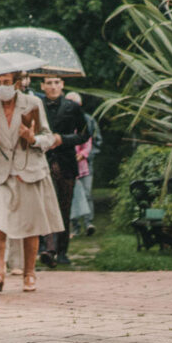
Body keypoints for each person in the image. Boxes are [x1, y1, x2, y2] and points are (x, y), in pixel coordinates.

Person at [0, 70, 64, 292]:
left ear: (16, 84)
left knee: (30, 225)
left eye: (6, 82)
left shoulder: (33, 103)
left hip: (29, 170)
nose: (2, 86)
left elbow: (49, 137)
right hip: (0, 174)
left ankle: (29, 273)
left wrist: (32, 138)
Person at [34, 75, 91, 268]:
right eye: (48, 83)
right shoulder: (36, 105)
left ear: (62, 85)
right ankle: (48, 248)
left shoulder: (72, 107)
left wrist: (63, 139)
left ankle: (62, 251)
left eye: (56, 83)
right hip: (43, 161)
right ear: (42, 85)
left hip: (66, 162)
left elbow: (85, 134)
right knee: (45, 206)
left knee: (64, 207)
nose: (53, 86)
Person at [67, 91, 101, 237]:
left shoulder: (88, 121)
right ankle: (74, 226)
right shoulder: (62, 121)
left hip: (86, 165)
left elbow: (96, 141)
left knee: (87, 194)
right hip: (68, 165)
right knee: (71, 195)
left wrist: (85, 156)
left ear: (80, 105)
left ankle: (88, 223)